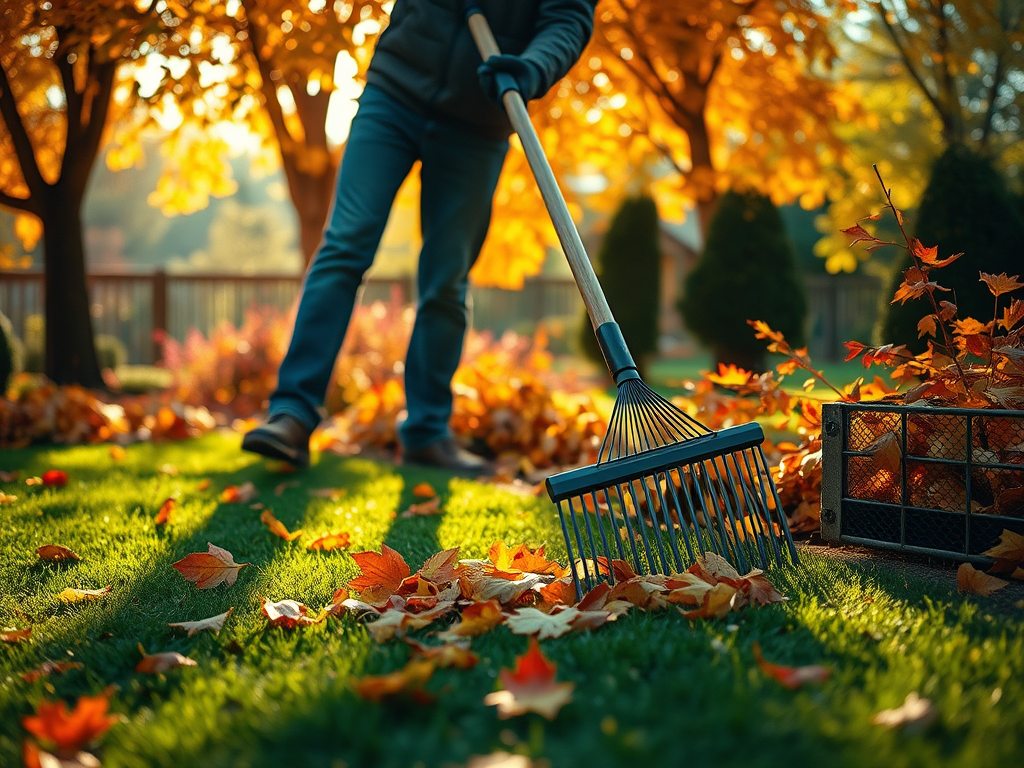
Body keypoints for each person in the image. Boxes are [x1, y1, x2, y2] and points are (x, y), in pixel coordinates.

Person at [242, 0, 597, 471]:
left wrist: (532, 67)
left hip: (479, 120)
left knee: (447, 277)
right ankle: (292, 413)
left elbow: (568, 18)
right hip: (395, 93)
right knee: (345, 245)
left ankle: (427, 432)